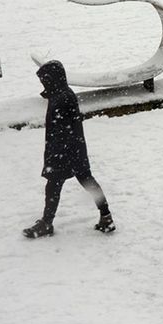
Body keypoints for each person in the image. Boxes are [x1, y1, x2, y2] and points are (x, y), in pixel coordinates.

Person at [23, 60, 115, 238]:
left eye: (45, 80)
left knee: (53, 187)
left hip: (63, 152)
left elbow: (62, 130)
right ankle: (106, 217)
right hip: (74, 149)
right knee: (87, 182)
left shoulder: (62, 98)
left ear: (53, 79)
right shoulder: (61, 94)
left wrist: (55, 157)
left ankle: (47, 224)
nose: (43, 84)